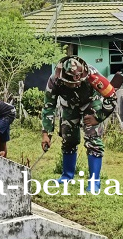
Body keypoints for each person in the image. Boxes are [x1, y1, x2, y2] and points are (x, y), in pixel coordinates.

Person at [40, 56, 118, 193]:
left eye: (78, 82)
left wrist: (98, 117)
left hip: (91, 102)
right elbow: (49, 107)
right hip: (69, 104)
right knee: (68, 137)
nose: (76, 85)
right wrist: (46, 133)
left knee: (93, 139)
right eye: (71, 83)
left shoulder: (93, 75)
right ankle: (67, 176)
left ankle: (94, 182)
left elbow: (111, 95)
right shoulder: (54, 80)